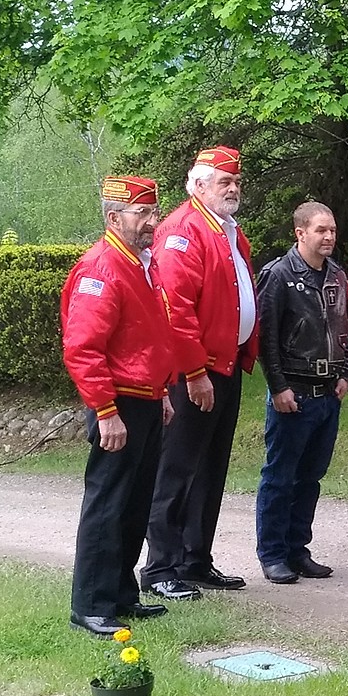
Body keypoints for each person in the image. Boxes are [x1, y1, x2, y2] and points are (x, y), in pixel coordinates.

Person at [142, 146, 259, 600]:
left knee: (210, 468)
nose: (232, 189)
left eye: (235, 181)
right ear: (198, 186)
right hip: (195, 371)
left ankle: (195, 558)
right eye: (223, 182)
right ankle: (160, 567)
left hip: (224, 366)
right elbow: (177, 311)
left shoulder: (227, 230)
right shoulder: (183, 231)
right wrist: (193, 372)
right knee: (176, 469)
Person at [62, 176, 176, 636]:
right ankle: (90, 604)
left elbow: (147, 339)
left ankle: (121, 595)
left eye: (153, 212)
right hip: (119, 402)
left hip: (145, 399)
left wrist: (162, 390)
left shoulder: (141, 264)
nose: (152, 222)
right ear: (114, 218)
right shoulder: (103, 268)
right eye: (142, 214)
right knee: (108, 503)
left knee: (134, 502)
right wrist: (105, 410)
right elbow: (84, 348)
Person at [254, 202, 348, 584]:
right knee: (280, 477)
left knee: (310, 478)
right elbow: (267, 338)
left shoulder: (336, 276)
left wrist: (347, 371)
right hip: (293, 393)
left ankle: (299, 550)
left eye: (332, 230)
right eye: (320, 230)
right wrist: (278, 387)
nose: (328, 237)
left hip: (328, 394)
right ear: (300, 233)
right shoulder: (278, 275)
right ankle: (273, 554)